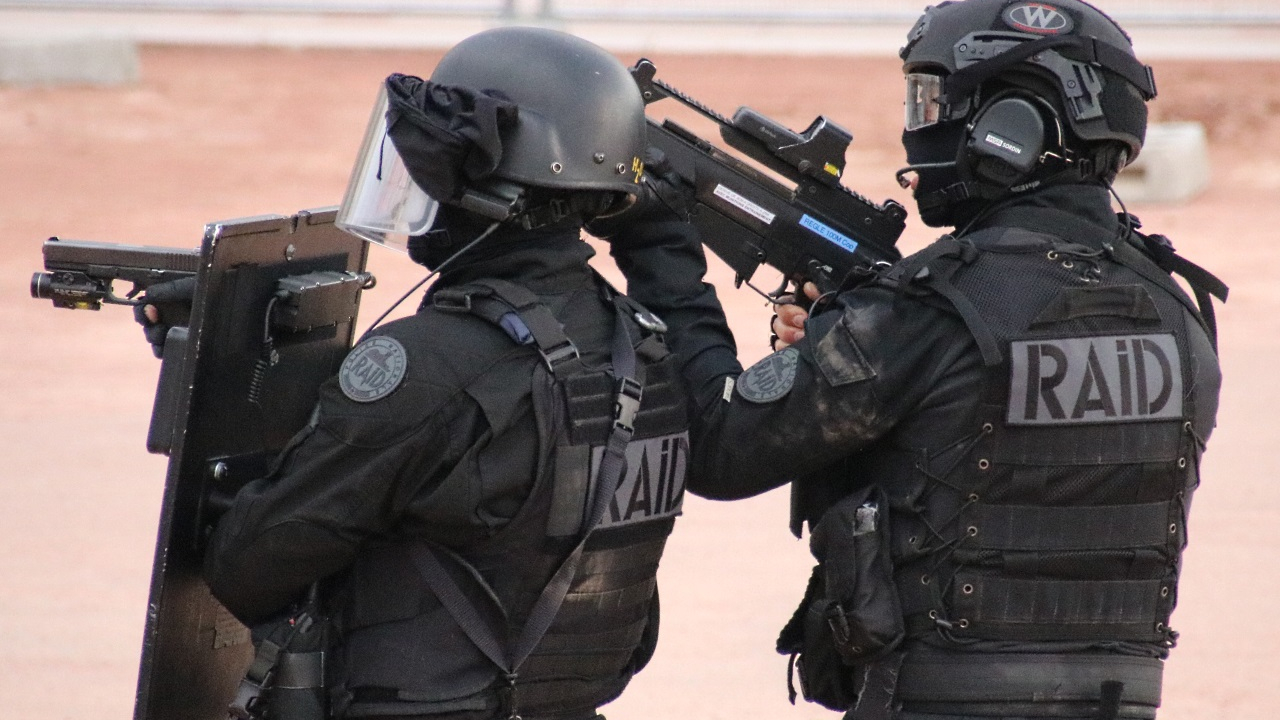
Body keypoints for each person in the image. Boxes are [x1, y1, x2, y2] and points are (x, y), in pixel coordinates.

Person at [597, 1, 1227, 718]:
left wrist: (658, 245)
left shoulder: (926, 311)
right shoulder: (1176, 312)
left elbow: (719, 444)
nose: (919, 126)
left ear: (1008, 127)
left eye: (936, 101)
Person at [198, 27, 692, 720]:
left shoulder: (430, 367)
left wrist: (222, 378)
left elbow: (248, 567)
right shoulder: (643, 349)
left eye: (439, 167)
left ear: (489, 193)